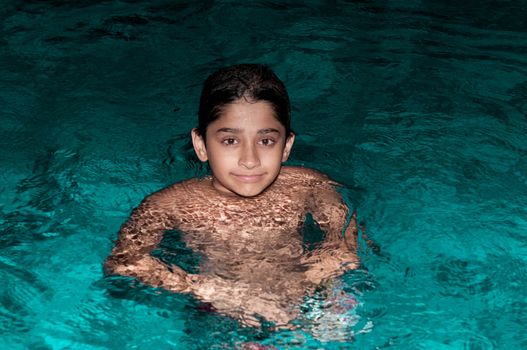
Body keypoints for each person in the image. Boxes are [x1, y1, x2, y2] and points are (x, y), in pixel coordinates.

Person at [104, 64, 359, 329]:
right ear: (201, 144)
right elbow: (122, 263)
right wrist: (209, 289)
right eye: (230, 141)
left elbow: (346, 239)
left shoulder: (309, 185)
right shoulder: (170, 204)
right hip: (222, 311)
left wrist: (315, 276)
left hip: (307, 296)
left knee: (344, 320)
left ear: (287, 146)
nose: (250, 160)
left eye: (266, 141)